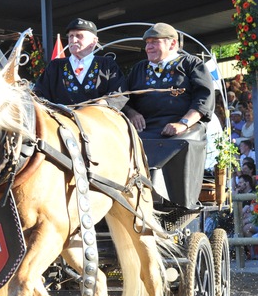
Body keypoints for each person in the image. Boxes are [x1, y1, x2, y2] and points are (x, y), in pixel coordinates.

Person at [123, 22, 215, 209]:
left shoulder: (191, 64)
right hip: (146, 126)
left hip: (185, 126)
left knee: (181, 144)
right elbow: (124, 97)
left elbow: (203, 98)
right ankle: (129, 197)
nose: (148, 47)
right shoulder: (139, 68)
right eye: (147, 43)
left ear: (172, 44)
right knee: (123, 142)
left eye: (154, 42)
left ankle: (176, 203)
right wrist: (132, 113)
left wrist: (183, 123)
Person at [33, 18, 126, 109]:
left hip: (97, 120)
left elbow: (120, 92)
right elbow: (38, 93)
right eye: (71, 36)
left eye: (79, 36)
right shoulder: (55, 66)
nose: (73, 40)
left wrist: (105, 102)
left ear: (94, 41)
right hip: (61, 122)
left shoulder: (107, 65)